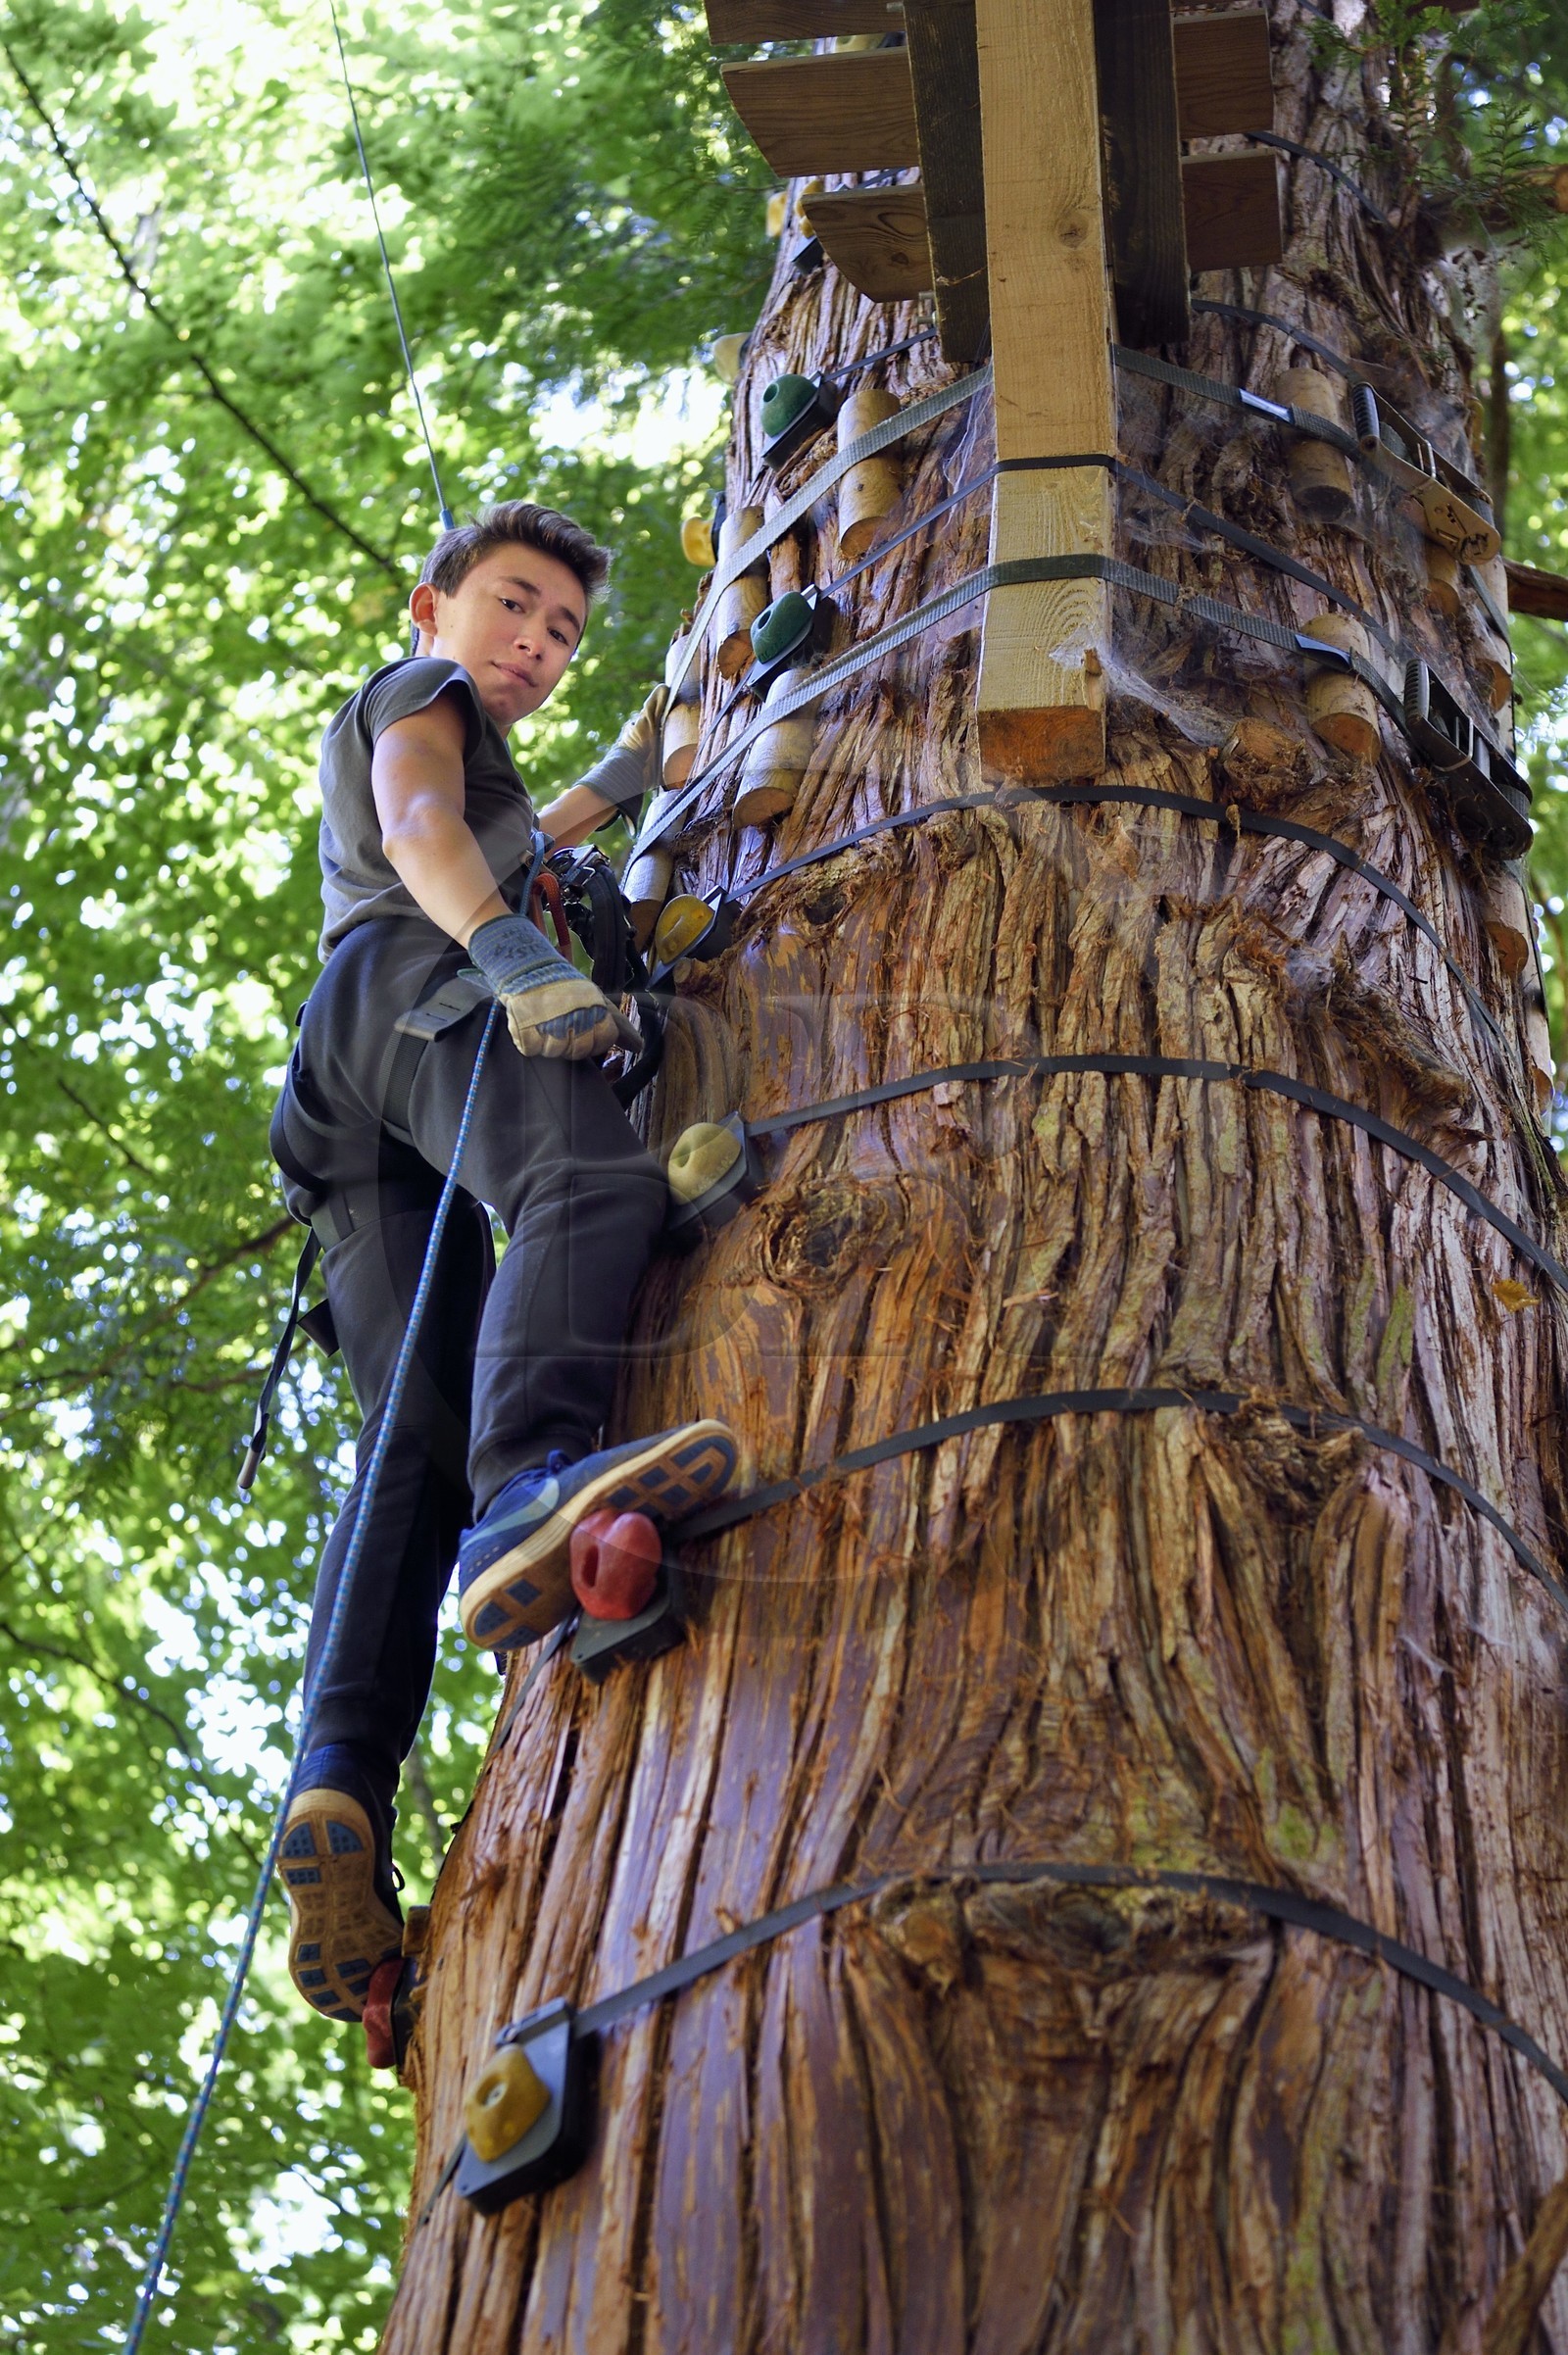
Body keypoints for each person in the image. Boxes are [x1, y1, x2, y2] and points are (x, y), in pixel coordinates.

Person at [268, 501, 735, 2025]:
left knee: (407, 1430)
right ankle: (531, 1485)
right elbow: (423, 826)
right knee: (589, 1183)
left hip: (345, 1109)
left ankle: (338, 1783)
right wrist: (513, 953)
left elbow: (523, 832)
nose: (534, 646)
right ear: (433, 608)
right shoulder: (422, 699)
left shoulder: (503, 781)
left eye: (560, 632)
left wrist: (624, 772)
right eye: (514, 607)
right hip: (412, 988)